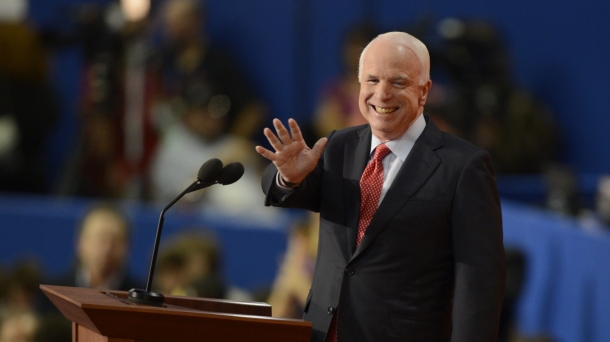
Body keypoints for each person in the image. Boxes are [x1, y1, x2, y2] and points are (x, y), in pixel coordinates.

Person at [256, 31, 505, 341]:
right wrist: (289, 177)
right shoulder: (337, 146)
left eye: (397, 82)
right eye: (372, 81)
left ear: (423, 91)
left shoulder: (463, 166)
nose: (382, 94)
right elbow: (282, 191)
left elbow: (479, 283)